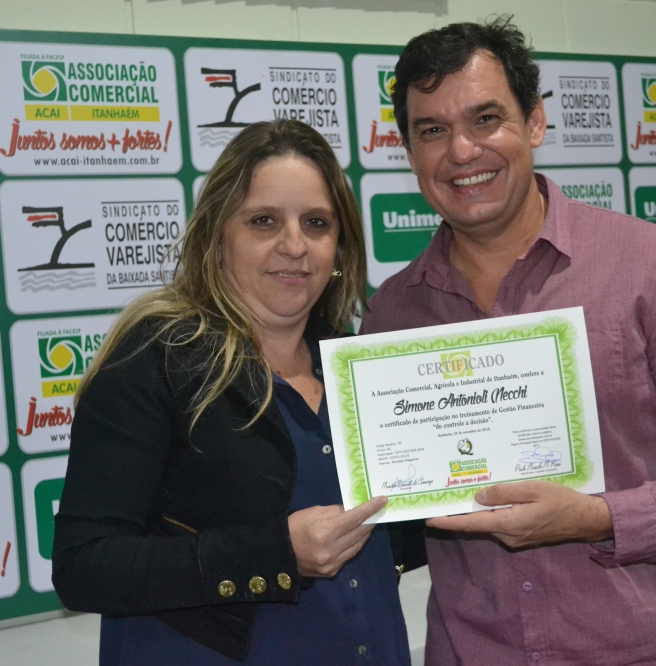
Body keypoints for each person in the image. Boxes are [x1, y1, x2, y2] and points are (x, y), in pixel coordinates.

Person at [361, 17, 656, 666]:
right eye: (432, 130)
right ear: (408, 150)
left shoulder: (648, 266)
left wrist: (602, 518)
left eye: (486, 119)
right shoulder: (392, 316)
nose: (462, 151)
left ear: (535, 122)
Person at [53, 119, 422, 665]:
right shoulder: (155, 359)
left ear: (339, 247)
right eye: (263, 221)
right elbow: (83, 567)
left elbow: (398, 537)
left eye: (317, 223)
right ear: (217, 236)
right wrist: (275, 554)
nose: (294, 245)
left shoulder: (357, 367)